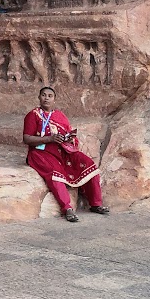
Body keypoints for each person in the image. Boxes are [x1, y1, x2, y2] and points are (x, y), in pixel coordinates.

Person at [22, 86, 108, 222]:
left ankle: (96, 204)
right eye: (43, 95)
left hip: (62, 150)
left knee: (89, 165)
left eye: (50, 96)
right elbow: (27, 138)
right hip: (41, 152)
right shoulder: (33, 115)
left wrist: (69, 139)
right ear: (39, 98)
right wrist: (49, 139)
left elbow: (69, 134)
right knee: (55, 174)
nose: (46, 98)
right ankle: (67, 208)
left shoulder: (60, 116)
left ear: (54, 99)